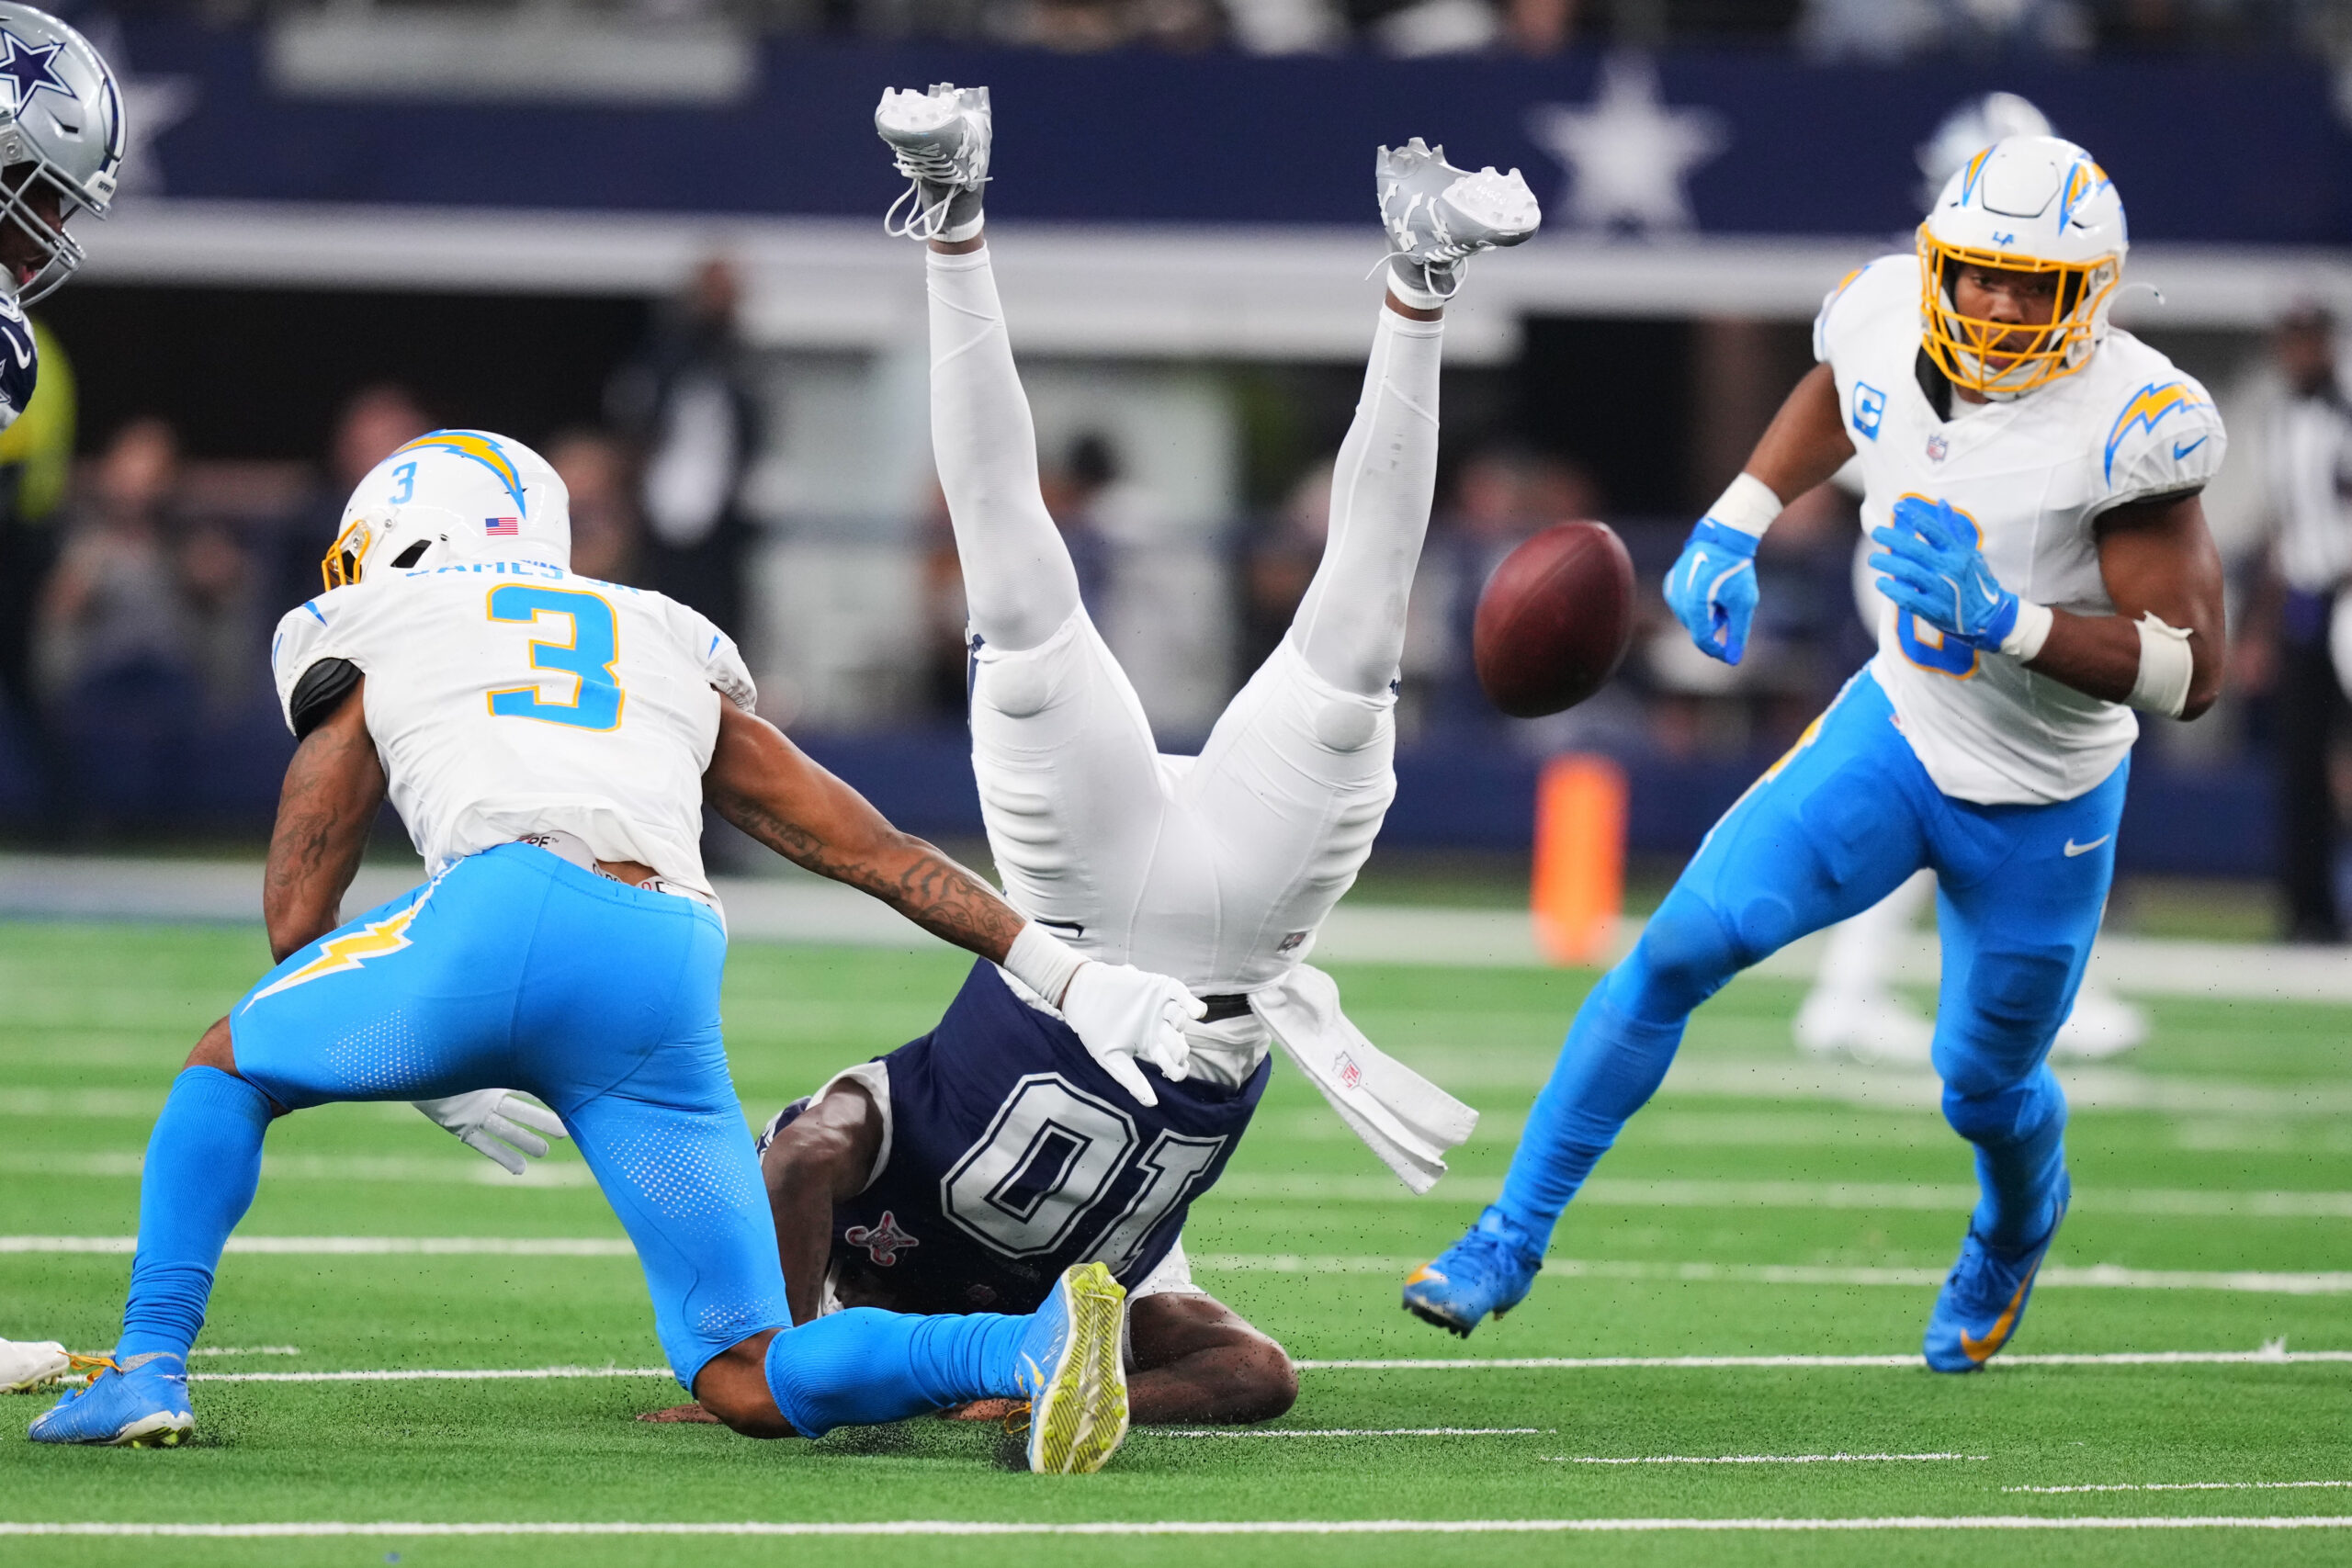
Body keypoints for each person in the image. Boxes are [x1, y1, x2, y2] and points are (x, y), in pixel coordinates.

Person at [26, 427, 1210, 1474]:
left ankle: (144, 1366)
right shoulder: (656, 632)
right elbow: (861, 843)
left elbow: (299, 916)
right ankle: (1032, 1343)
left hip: (502, 911)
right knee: (747, 1371)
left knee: (228, 1060)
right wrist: (1066, 972)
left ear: (403, 534)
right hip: (664, 954)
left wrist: (440, 1068)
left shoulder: (374, 619)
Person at [646, 84, 1534, 1428]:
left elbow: (809, 1155)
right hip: (1238, 956)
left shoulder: (857, 1137)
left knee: (1019, 603)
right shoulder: (1091, 1291)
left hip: (1077, 920)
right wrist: (1033, 1386)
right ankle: (1421, 281)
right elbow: (1254, 1373)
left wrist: (768, 1371)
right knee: (1355, 665)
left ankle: (949, 218)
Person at [1405, 135, 2227, 1372]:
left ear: (2089, 297)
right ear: (1939, 261)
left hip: (2046, 798)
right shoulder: (1890, 310)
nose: (1996, 304)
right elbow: (1846, 393)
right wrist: (1734, 522)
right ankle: (1508, 1233)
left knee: (1980, 1083)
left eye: (2031, 284)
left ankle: (2015, 1224)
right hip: (1898, 728)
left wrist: (2013, 620)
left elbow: (2192, 669)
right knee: (1680, 943)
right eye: (1979, 272)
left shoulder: (2133, 421)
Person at [2256, 304, 2351, 942]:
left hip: (2346, 596)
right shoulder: (2278, 420)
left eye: (2308, 340)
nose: (2299, 353)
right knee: (2297, 763)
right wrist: (2259, 628)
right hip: (2301, 606)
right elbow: (2281, 530)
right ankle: (2304, 910)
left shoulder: (2342, 419)